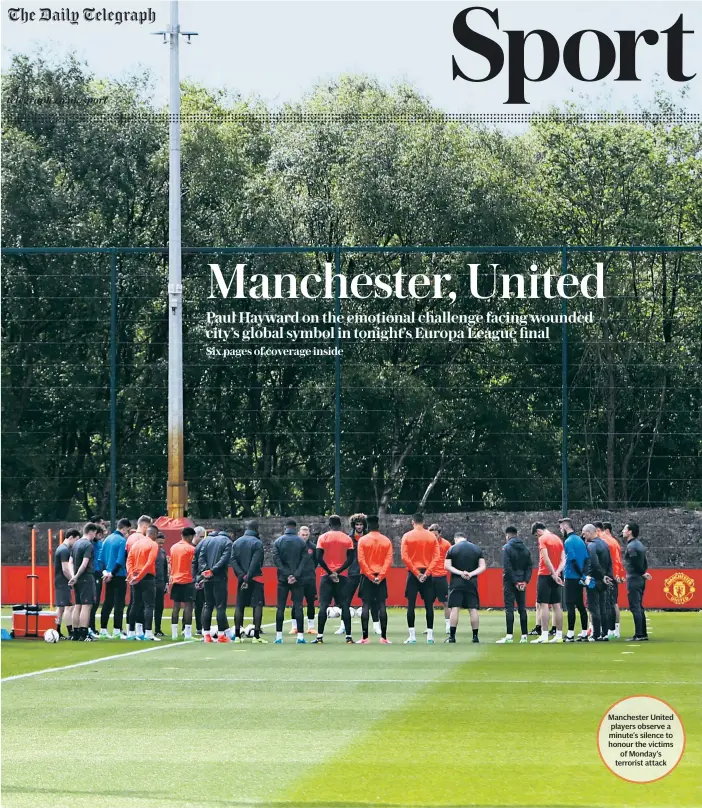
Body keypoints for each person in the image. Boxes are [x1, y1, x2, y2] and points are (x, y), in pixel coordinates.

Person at [335, 514, 380, 636]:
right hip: (353, 572)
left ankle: (376, 626)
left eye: (361, 524)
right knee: (346, 600)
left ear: (364, 525)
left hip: (367, 572)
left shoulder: (369, 537)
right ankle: (343, 626)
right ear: (353, 525)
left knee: (372, 600)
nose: (359, 526)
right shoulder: (348, 538)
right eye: (357, 524)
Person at [313, 515, 355, 644]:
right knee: (345, 606)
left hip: (326, 576)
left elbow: (319, 557)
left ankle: (319, 636)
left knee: (323, 606)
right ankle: (348, 637)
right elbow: (350, 559)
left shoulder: (323, 538)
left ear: (329, 525)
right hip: (341, 576)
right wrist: (337, 572)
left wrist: (329, 572)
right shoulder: (347, 539)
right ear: (340, 525)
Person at [401, 513, 440, 644]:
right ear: (423, 522)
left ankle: (412, 636)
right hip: (427, 574)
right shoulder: (431, 536)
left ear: (413, 522)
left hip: (413, 574)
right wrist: (427, 573)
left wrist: (416, 573)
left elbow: (404, 557)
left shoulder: (407, 536)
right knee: (429, 605)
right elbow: (436, 557)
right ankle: (430, 635)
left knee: (411, 605)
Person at [356, 514, 393, 644]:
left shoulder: (363, 540)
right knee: (382, 605)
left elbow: (361, 560)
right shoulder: (386, 540)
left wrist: (371, 576)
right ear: (378, 525)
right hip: (380, 577)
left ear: (367, 526)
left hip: (367, 576)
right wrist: (380, 576)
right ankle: (384, 637)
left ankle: (365, 637)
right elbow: (388, 560)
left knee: (365, 604)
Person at [444, 532, 486, 643]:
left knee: (455, 608)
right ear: (465, 538)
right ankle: (475, 636)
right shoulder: (476, 549)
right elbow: (482, 566)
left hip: (456, 582)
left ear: (455, 539)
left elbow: (447, 566)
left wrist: (460, 573)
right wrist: (471, 574)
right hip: (471, 582)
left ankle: (452, 637)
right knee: (473, 608)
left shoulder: (452, 549)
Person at [272, 519, 308, 644]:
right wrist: (295, 575)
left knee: (280, 607)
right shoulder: (301, 542)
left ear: (285, 528)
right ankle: (300, 636)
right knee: (298, 606)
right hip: (298, 579)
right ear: (295, 528)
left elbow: (276, 560)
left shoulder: (278, 541)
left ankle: (278, 636)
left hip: (283, 578)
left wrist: (286, 574)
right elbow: (304, 561)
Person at [231, 519, 267, 643]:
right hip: (255, 577)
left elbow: (233, 560)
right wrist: (249, 576)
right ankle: (256, 636)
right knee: (257, 605)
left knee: (240, 605)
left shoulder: (236, 542)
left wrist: (242, 575)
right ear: (256, 529)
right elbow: (256, 561)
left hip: (241, 578)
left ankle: (237, 636)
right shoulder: (257, 543)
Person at [496, 526, 532, 644]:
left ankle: (509, 636)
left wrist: (515, 582)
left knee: (509, 608)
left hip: (510, 582)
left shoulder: (507, 548)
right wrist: (525, 581)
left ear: (507, 535)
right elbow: (529, 567)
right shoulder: (526, 549)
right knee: (522, 608)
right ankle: (524, 636)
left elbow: (507, 567)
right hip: (522, 581)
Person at [530, 522, 565, 644]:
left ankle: (544, 635)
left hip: (545, 574)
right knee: (557, 605)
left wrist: (553, 574)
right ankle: (559, 634)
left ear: (538, 531)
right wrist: (557, 573)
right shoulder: (558, 539)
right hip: (556, 574)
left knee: (543, 604)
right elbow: (563, 560)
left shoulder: (543, 539)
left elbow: (545, 559)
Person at [196, 529, 233, 643]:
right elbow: (224, 559)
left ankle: (206, 634)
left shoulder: (207, 541)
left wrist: (206, 570)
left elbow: (200, 557)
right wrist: (213, 570)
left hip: (208, 578)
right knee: (220, 607)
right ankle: (221, 635)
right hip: (219, 577)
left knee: (208, 605)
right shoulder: (227, 542)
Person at [126, 525, 160, 641]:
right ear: (154, 534)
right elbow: (150, 563)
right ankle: (148, 633)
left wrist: (132, 576)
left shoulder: (136, 544)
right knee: (149, 605)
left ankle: (131, 632)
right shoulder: (153, 544)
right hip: (147, 577)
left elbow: (129, 561)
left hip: (135, 576)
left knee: (135, 604)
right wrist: (140, 576)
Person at [559, 518, 590, 643]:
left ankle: (570, 634)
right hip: (579, 577)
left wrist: (580, 574)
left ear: (566, 527)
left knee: (570, 605)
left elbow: (571, 560)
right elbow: (587, 559)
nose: (561, 531)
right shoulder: (580, 540)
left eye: (561, 528)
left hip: (571, 577)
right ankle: (584, 633)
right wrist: (584, 575)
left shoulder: (568, 541)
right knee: (581, 606)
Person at [581, 523, 614, 642]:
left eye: (584, 534)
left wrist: (601, 575)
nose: (583, 537)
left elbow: (594, 564)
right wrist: (608, 576)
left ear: (589, 533)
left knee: (593, 607)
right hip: (603, 580)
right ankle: (604, 633)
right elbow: (610, 562)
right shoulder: (605, 544)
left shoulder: (591, 546)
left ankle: (596, 634)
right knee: (603, 607)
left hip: (594, 580)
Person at [99, 518, 131, 638]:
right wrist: (112, 573)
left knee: (107, 602)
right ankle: (117, 629)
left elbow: (101, 559)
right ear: (123, 528)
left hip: (107, 575)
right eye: (127, 531)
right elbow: (120, 560)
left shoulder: (107, 539)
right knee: (119, 603)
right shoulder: (122, 541)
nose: (127, 534)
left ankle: (103, 629)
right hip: (118, 575)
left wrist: (106, 572)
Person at [68, 522, 99, 641]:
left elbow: (70, 561)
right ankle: (84, 633)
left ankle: (75, 633)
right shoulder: (88, 545)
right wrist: (76, 576)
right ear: (91, 532)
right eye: (95, 533)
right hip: (86, 577)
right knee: (86, 606)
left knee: (78, 605)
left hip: (77, 579)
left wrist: (73, 576)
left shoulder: (76, 544)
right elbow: (85, 563)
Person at [622, 522, 651, 641]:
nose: (623, 531)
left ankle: (639, 634)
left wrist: (641, 572)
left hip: (634, 578)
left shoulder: (631, 546)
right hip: (639, 578)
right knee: (639, 605)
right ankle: (642, 633)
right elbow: (644, 561)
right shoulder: (639, 545)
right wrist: (644, 572)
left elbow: (634, 560)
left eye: (625, 529)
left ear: (630, 532)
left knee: (635, 606)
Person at [596, 521, 625, 639]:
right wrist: (619, 574)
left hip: (606, 575)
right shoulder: (615, 542)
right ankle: (615, 630)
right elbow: (618, 560)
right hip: (613, 574)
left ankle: (605, 630)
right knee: (614, 603)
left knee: (603, 603)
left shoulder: (602, 541)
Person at [125, 515, 152, 638]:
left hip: (132, 573)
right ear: (145, 526)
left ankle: (130, 630)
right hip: (142, 573)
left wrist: (130, 573)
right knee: (142, 603)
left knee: (134, 602)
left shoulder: (130, 538)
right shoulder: (143, 539)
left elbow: (128, 557)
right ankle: (140, 630)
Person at [289, 525, 318, 635]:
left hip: (310, 578)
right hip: (298, 579)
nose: (304, 537)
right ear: (298, 535)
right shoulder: (294, 547)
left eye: (306, 535)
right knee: (296, 603)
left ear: (309, 535)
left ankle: (311, 626)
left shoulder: (313, 547)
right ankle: (294, 627)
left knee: (311, 602)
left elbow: (316, 562)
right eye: (302, 535)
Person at [169, 526, 196, 640]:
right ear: (190, 537)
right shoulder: (191, 549)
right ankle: (188, 633)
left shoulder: (173, 548)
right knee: (189, 606)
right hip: (188, 579)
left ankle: (174, 634)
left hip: (176, 579)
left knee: (176, 606)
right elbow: (193, 564)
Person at [53, 529, 79, 639]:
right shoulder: (64, 550)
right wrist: (72, 579)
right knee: (68, 607)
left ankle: (57, 630)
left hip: (60, 581)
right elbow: (65, 569)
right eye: (76, 540)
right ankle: (70, 631)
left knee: (61, 607)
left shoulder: (61, 548)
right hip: (63, 582)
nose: (76, 543)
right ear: (71, 537)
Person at [428, 524, 452, 635]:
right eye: (431, 535)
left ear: (439, 534)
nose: (434, 537)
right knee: (429, 602)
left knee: (445, 602)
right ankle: (429, 626)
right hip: (429, 576)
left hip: (441, 576)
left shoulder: (446, 544)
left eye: (435, 535)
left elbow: (452, 558)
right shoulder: (427, 543)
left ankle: (448, 625)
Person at [88, 526, 105, 638]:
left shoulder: (99, 543)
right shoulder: (90, 544)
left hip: (98, 573)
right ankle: (89, 626)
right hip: (93, 573)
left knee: (96, 601)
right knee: (92, 602)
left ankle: (92, 626)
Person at [190, 527, 207, 636]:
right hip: (191, 579)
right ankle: (186, 627)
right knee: (190, 605)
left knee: (200, 604)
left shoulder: (203, 548)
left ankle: (200, 627)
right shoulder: (191, 548)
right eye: (200, 537)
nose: (202, 539)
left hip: (199, 579)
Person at [154, 532, 168, 637]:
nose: (161, 545)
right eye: (159, 543)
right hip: (151, 582)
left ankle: (158, 629)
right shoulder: (151, 551)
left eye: (162, 543)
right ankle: (147, 628)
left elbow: (165, 569)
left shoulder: (163, 552)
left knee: (159, 607)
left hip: (161, 582)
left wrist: (166, 583)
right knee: (148, 606)